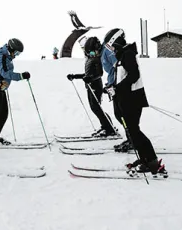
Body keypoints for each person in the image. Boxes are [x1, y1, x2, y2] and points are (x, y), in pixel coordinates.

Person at [103, 28, 167, 175]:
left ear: (116, 41)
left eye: (110, 45)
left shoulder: (127, 54)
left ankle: (152, 161)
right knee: (132, 131)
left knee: (134, 132)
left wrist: (118, 89)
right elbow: (123, 78)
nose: (110, 49)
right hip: (126, 99)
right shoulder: (121, 55)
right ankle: (146, 159)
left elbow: (134, 75)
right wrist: (111, 88)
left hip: (133, 100)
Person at [67, 37, 119, 138]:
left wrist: (90, 78)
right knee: (94, 108)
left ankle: (109, 128)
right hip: (90, 86)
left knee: (96, 108)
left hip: (96, 86)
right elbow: (86, 74)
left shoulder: (96, 60)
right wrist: (74, 76)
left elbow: (99, 73)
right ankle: (106, 126)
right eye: (90, 53)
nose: (93, 55)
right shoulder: (89, 60)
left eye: (93, 53)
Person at [101, 46, 132, 152]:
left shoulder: (108, 51)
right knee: (119, 114)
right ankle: (131, 138)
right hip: (114, 85)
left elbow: (117, 68)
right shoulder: (105, 51)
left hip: (118, 87)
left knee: (122, 115)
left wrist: (114, 85)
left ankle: (132, 139)